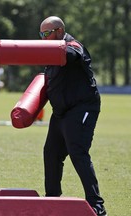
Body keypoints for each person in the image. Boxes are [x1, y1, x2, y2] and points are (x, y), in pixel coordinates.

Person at [39, 16, 107, 216]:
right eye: (40, 35)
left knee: (78, 152)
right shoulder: (49, 54)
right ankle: (52, 200)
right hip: (60, 112)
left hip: (82, 108)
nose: (42, 38)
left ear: (59, 31)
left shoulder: (73, 45)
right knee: (51, 153)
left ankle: (96, 205)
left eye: (46, 34)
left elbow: (70, 54)